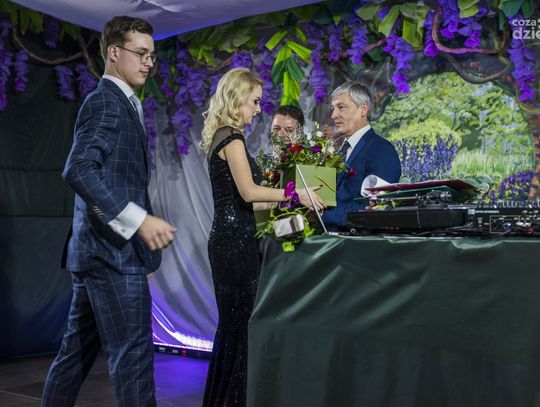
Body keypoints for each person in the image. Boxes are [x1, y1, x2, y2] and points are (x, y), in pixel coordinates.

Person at [41, 16, 176, 407]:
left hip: (101, 253)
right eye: (141, 53)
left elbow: (119, 179)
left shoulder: (123, 102)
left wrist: (141, 245)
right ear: (114, 52)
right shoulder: (106, 101)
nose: (148, 63)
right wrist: (139, 222)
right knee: (134, 360)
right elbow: (79, 169)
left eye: (152, 55)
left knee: (74, 357)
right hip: (111, 255)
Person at [201, 67, 326, 406]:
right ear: (237, 98)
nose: (258, 109)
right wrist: (295, 194)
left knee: (234, 329)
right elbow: (249, 192)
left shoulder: (223, 136)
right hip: (236, 244)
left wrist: (290, 208)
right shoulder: (232, 137)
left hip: (231, 240)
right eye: (254, 101)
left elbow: (250, 200)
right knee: (240, 329)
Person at [322, 81, 401, 231]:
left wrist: (321, 215)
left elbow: (376, 209)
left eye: (341, 107)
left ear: (363, 109)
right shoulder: (340, 151)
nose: (333, 115)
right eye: (333, 108)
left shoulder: (381, 150)